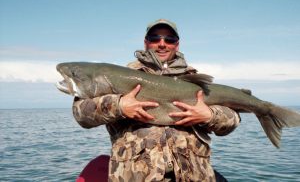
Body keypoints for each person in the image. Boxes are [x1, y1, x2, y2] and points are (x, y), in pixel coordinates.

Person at [73, 19, 240, 182]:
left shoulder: (194, 80)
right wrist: (118, 105)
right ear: (146, 43)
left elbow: (233, 120)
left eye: (169, 39)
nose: (162, 43)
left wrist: (210, 115)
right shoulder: (118, 76)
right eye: (155, 38)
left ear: (177, 44)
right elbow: (81, 113)